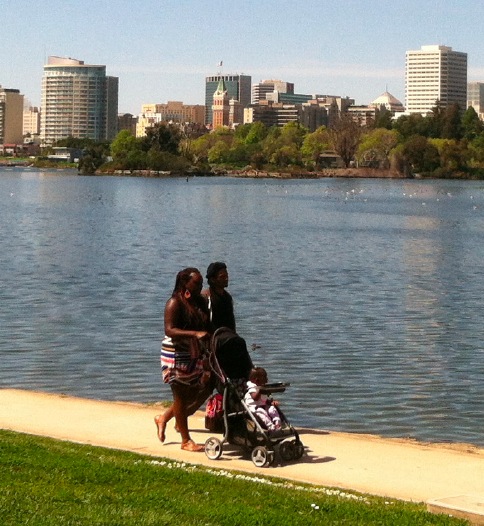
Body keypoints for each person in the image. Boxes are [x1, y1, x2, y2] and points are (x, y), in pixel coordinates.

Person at [154, 267, 213, 452]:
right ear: (185, 283)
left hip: (195, 351)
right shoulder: (174, 302)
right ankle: (186, 440)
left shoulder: (201, 302)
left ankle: (163, 418)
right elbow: (170, 330)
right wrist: (195, 334)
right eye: (196, 282)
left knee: (200, 388)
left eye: (201, 283)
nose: (200, 286)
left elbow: (207, 326)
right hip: (175, 352)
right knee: (180, 394)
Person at [202, 262, 236, 331]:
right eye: (222, 277)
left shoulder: (227, 298)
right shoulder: (206, 298)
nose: (226, 279)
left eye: (227, 276)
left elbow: (231, 323)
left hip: (227, 336)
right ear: (213, 279)